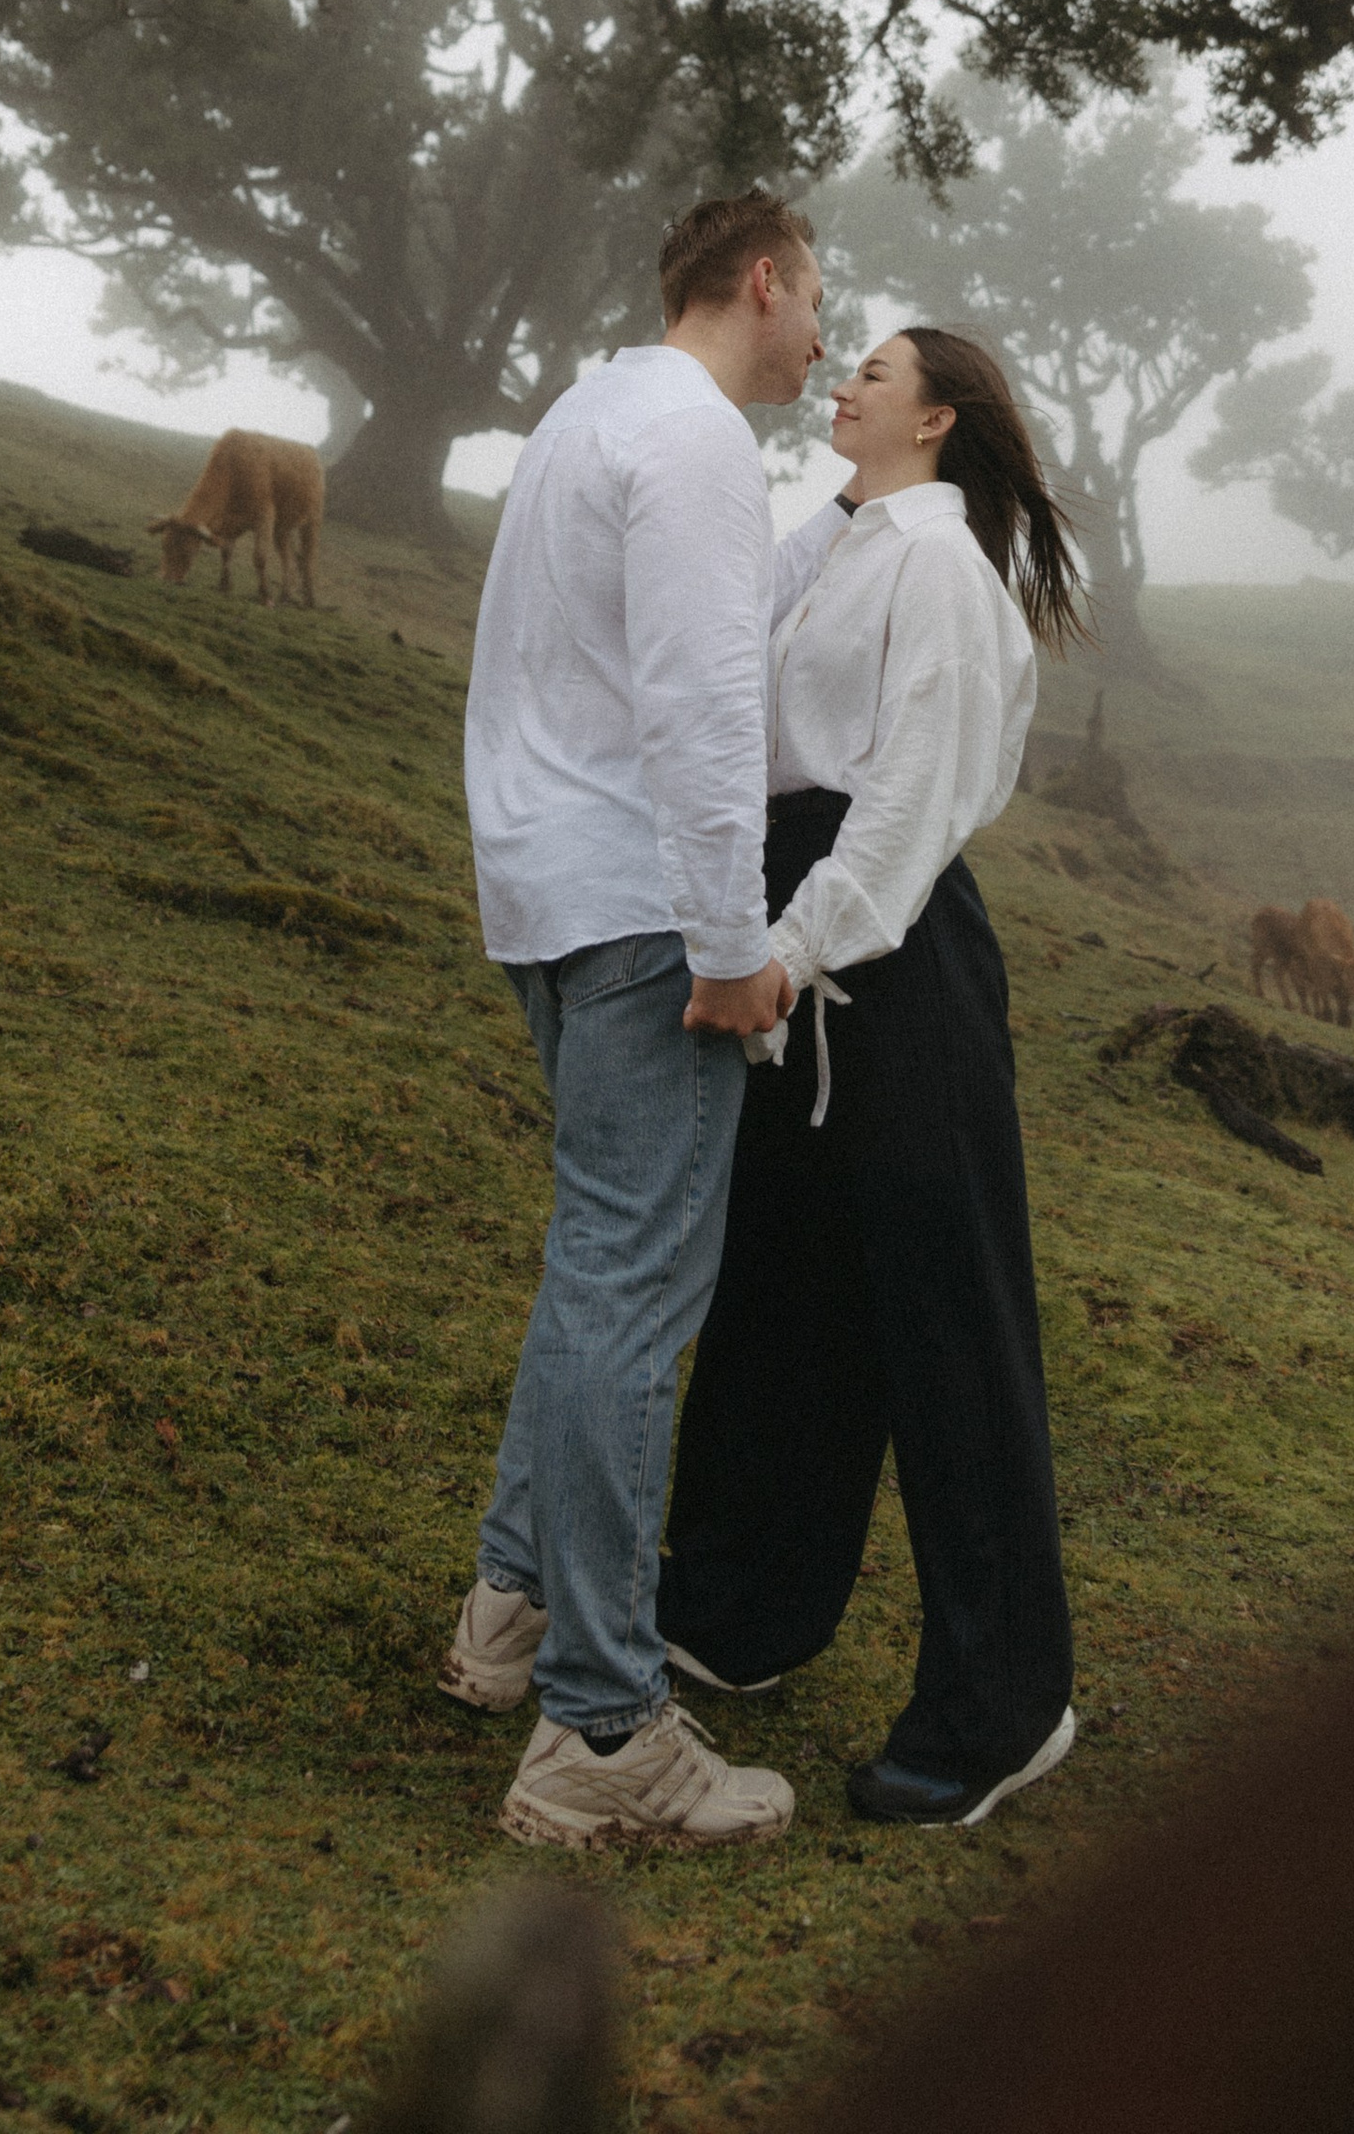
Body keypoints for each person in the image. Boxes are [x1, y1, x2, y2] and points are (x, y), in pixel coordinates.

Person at [656, 324, 1090, 1826]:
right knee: (786, 1284)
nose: (841, 383)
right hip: (786, 921)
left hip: (886, 954)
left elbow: (908, 797)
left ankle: (1000, 1705)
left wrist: (800, 947)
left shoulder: (946, 574)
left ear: (941, 417)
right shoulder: (842, 543)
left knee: (945, 1322)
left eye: (877, 376)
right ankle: (740, 1609)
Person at [439, 187, 826, 1849]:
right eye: (819, 299)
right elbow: (701, 699)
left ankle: (513, 1610)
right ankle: (605, 1730)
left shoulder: (587, 412)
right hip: (646, 918)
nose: (825, 333)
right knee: (635, 1290)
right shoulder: (694, 442)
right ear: (763, 280)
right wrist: (731, 938)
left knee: (592, 1263)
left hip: (547, 889)